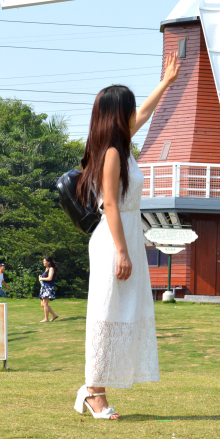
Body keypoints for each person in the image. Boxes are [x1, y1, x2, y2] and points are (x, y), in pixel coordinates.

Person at [75, 55, 180, 420]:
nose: (135, 113)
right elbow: (111, 207)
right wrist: (122, 251)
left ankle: (94, 387)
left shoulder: (121, 143)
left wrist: (166, 82)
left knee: (123, 310)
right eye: (129, 109)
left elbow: (145, 114)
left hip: (128, 236)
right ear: (117, 114)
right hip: (114, 240)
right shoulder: (112, 154)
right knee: (105, 313)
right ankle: (93, 393)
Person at [39, 257, 58, 322]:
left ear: (49, 262)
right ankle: (54, 315)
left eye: (44, 261)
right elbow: (46, 277)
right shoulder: (46, 269)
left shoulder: (51, 268)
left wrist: (42, 279)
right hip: (44, 287)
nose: (43, 262)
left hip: (48, 287)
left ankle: (46, 318)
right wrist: (41, 277)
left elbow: (49, 278)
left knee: (45, 304)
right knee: (43, 304)